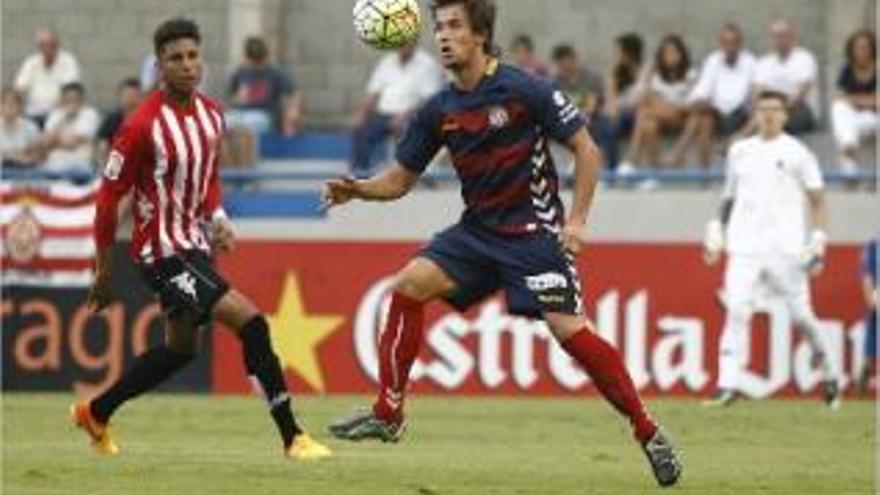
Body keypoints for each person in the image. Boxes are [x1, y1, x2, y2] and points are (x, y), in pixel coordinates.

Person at [323, 0, 681, 487]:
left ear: (480, 34)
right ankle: (388, 413)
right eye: (439, 27)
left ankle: (648, 431)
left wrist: (576, 221)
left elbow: (587, 149)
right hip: (477, 233)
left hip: (533, 234)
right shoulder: (438, 110)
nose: (443, 36)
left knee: (569, 331)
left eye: (453, 27)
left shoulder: (524, 89)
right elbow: (400, 180)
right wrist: (358, 189)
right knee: (408, 285)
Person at [69, 18, 331, 461]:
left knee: (180, 349)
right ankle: (294, 438)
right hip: (161, 253)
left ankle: (95, 411)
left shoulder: (211, 115)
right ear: (160, 66)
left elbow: (206, 177)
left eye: (192, 56)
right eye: (176, 59)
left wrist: (218, 216)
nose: (187, 66)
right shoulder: (139, 126)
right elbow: (108, 200)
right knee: (252, 322)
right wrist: (104, 269)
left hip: (194, 246)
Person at [702, 90, 840, 408]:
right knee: (736, 310)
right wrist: (716, 232)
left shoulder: (798, 153)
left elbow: (818, 201)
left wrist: (818, 242)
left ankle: (830, 373)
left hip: (786, 248)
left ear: (785, 115)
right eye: (762, 109)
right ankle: (727, 385)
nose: (768, 115)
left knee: (802, 317)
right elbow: (729, 197)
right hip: (744, 246)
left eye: (774, 110)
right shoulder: (740, 151)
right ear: (755, 113)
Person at [351, 42, 443, 177]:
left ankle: (408, 173)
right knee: (362, 129)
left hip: (413, 116)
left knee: (409, 131)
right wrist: (363, 114)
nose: (401, 46)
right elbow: (373, 93)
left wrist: (404, 116)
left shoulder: (427, 64)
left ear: (414, 43)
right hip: (384, 114)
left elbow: (428, 101)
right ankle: (360, 172)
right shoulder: (386, 62)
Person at [672, 23, 755, 170]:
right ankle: (703, 174)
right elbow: (703, 88)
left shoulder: (750, 62)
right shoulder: (713, 60)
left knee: (702, 116)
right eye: (725, 43)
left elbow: (744, 97)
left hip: (740, 113)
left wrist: (709, 105)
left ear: (740, 43)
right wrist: (698, 101)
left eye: (733, 42)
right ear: (720, 44)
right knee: (703, 119)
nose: (729, 47)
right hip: (717, 114)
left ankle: (679, 153)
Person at [619, 34, 696, 186]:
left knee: (645, 109)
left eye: (675, 52)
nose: (671, 56)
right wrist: (646, 73)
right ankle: (654, 174)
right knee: (649, 124)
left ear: (682, 54)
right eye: (667, 53)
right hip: (658, 116)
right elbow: (639, 95)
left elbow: (688, 103)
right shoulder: (655, 73)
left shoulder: (690, 73)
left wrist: (663, 102)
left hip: (680, 117)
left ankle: (631, 159)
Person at [225, 36, 302, 168]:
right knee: (221, 126)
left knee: (246, 128)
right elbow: (230, 98)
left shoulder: (274, 73)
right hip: (240, 113)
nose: (257, 65)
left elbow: (295, 93)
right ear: (247, 58)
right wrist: (237, 98)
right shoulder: (240, 73)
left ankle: (245, 173)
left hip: (264, 115)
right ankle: (229, 174)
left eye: (259, 61)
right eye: (253, 61)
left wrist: (292, 112)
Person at [550, 44, 615, 172]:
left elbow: (591, 105)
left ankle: (611, 168)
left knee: (607, 129)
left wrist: (582, 117)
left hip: (592, 117)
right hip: (566, 119)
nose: (566, 68)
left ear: (575, 60)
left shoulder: (591, 78)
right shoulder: (555, 82)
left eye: (569, 63)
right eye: (562, 66)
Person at [752, 20, 818, 134]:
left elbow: (801, 93)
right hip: (770, 108)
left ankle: (738, 138)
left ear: (792, 38)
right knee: (766, 116)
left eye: (783, 36)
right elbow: (758, 92)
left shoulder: (804, 58)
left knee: (774, 119)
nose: (780, 41)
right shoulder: (763, 63)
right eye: (776, 37)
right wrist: (770, 108)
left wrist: (779, 108)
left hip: (799, 109)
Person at [830, 30, 877, 177]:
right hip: (854, 118)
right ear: (851, 49)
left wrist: (854, 100)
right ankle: (849, 151)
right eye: (857, 47)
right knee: (838, 109)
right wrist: (866, 100)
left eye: (865, 47)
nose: (861, 51)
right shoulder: (847, 69)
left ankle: (848, 153)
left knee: (844, 122)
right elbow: (837, 97)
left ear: (873, 49)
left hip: (875, 118)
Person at [13, 28, 81, 127]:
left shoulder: (68, 61)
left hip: (60, 112)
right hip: (32, 112)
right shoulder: (31, 62)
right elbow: (19, 88)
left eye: (52, 45)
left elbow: (71, 90)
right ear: (39, 48)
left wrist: (55, 110)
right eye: (43, 45)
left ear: (57, 45)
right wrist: (19, 107)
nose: (48, 49)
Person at [605, 32, 646, 175]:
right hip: (623, 114)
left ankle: (630, 161)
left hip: (640, 113)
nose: (616, 54)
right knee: (610, 124)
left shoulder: (645, 69)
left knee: (641, 112)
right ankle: (612, 170)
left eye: (618, 51)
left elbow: (643, 96)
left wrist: (621, 105)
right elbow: (612, 100)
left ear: (629, 52)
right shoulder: (616, 72)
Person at [40, 82, 100, 173]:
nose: (71, 103)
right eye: (67, 100)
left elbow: (71, 142)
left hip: (81, 163)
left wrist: (57, 142)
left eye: (75, 99)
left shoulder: (90, 114)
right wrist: (64, 119)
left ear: (82, 100)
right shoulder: (55, 115)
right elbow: (46, 143)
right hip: (55, 163)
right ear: (62, 99)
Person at [95, 78, 143, 166]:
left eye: (134, 95)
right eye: (127, 95)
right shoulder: (112, 119)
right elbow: (102, 143)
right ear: (119, 96)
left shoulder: (147, 119)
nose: (130, 99)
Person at [857, 237, 878, 394]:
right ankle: (867, 367)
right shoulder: (873, 247)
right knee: (872, 328)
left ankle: (867, 367)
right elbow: (867, 276)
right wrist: (871, 300)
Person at [0, 88, 42, 168]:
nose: (9, 107)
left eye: (13, 104)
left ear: (20, 107)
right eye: (4, 103)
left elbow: (37, 156)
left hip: (23, 170)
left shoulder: (30, 127)